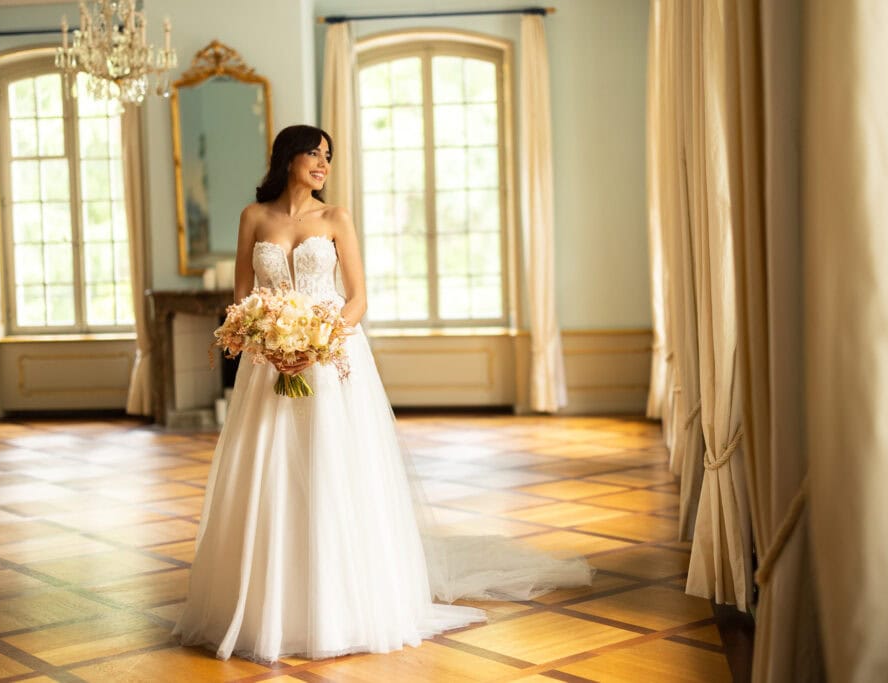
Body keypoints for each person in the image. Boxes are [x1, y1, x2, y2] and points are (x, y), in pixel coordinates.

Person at [172, 124, 591, 663]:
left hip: (331, 360)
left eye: (328, 156)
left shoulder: (336, 218)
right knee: (270, 472)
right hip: (269, 363)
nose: (323, 164)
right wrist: (267, 343)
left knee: (333, 469)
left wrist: (318, 343)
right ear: (286, 158)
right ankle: (265, 605)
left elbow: (358, 297)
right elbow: (241, 298)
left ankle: (343, 603)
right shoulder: (253, 218)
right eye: (313, 154)